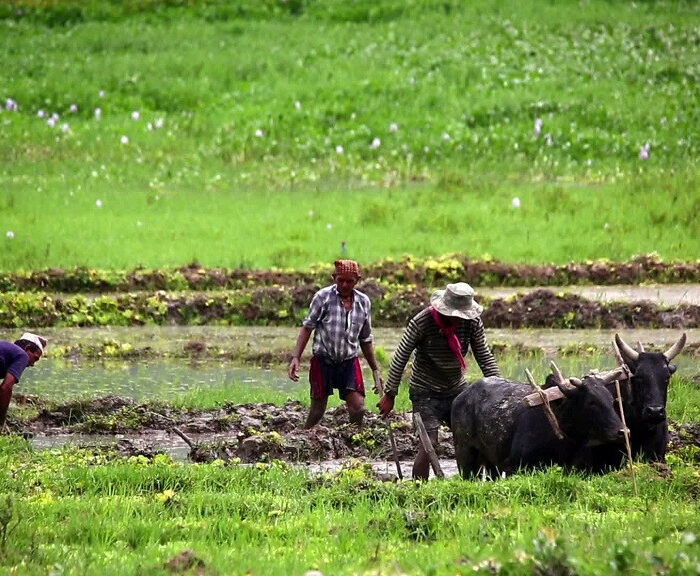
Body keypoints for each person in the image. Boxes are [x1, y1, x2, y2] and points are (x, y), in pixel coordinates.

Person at [378, 282, 500, 479]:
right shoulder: (422, 322)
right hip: (425, 391)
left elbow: (484, 355)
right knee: (429, 443)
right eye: (455, 315)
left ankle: (470, 485)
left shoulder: (472, 322)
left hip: (457, 389)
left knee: (470, 437)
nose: (458, 320)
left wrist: (498, 387)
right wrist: (390, 393)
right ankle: (419, 489)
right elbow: (401, 356)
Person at [289, 259, 382, 428]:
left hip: (348, 361)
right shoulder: (323, 298)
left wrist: (375, 369)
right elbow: (307, 328)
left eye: (349, 281)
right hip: (324, 360)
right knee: (318, 409)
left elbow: (365, 339)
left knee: (358, 408)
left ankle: (354, 439)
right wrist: (296, 357)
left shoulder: (363, 302)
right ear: (334, 278)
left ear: (357, 281)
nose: (345, 285)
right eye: (341, 280)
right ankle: (304, 434)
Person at [0, 332, 47, 429]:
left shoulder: (6, 351)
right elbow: (6, 388)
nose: (32, 364)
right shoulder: (22, 355)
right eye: (35, 358)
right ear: (27, 349)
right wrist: (1, 422)